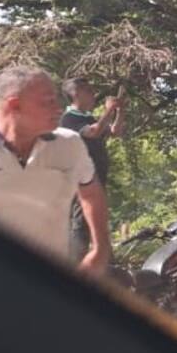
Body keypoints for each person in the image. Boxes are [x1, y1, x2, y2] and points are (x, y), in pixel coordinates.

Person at [0, 66, 112, 275]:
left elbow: (90, 191)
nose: (58, 109)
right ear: (15, 105)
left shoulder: (69, 144)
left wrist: (101, 248)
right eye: (48, 102)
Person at [61, 77, 125, 261]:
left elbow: (115, 132)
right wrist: (109, 109)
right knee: (81, 223)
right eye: (88, 91)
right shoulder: (70, 119)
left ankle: (107, 263)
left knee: (99, 220)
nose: (93, 95)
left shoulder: (88, 118)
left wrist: (119, 110)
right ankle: (75, 265)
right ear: (75, 94)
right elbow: (94, 132)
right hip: (82, 181)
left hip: (97, 179)